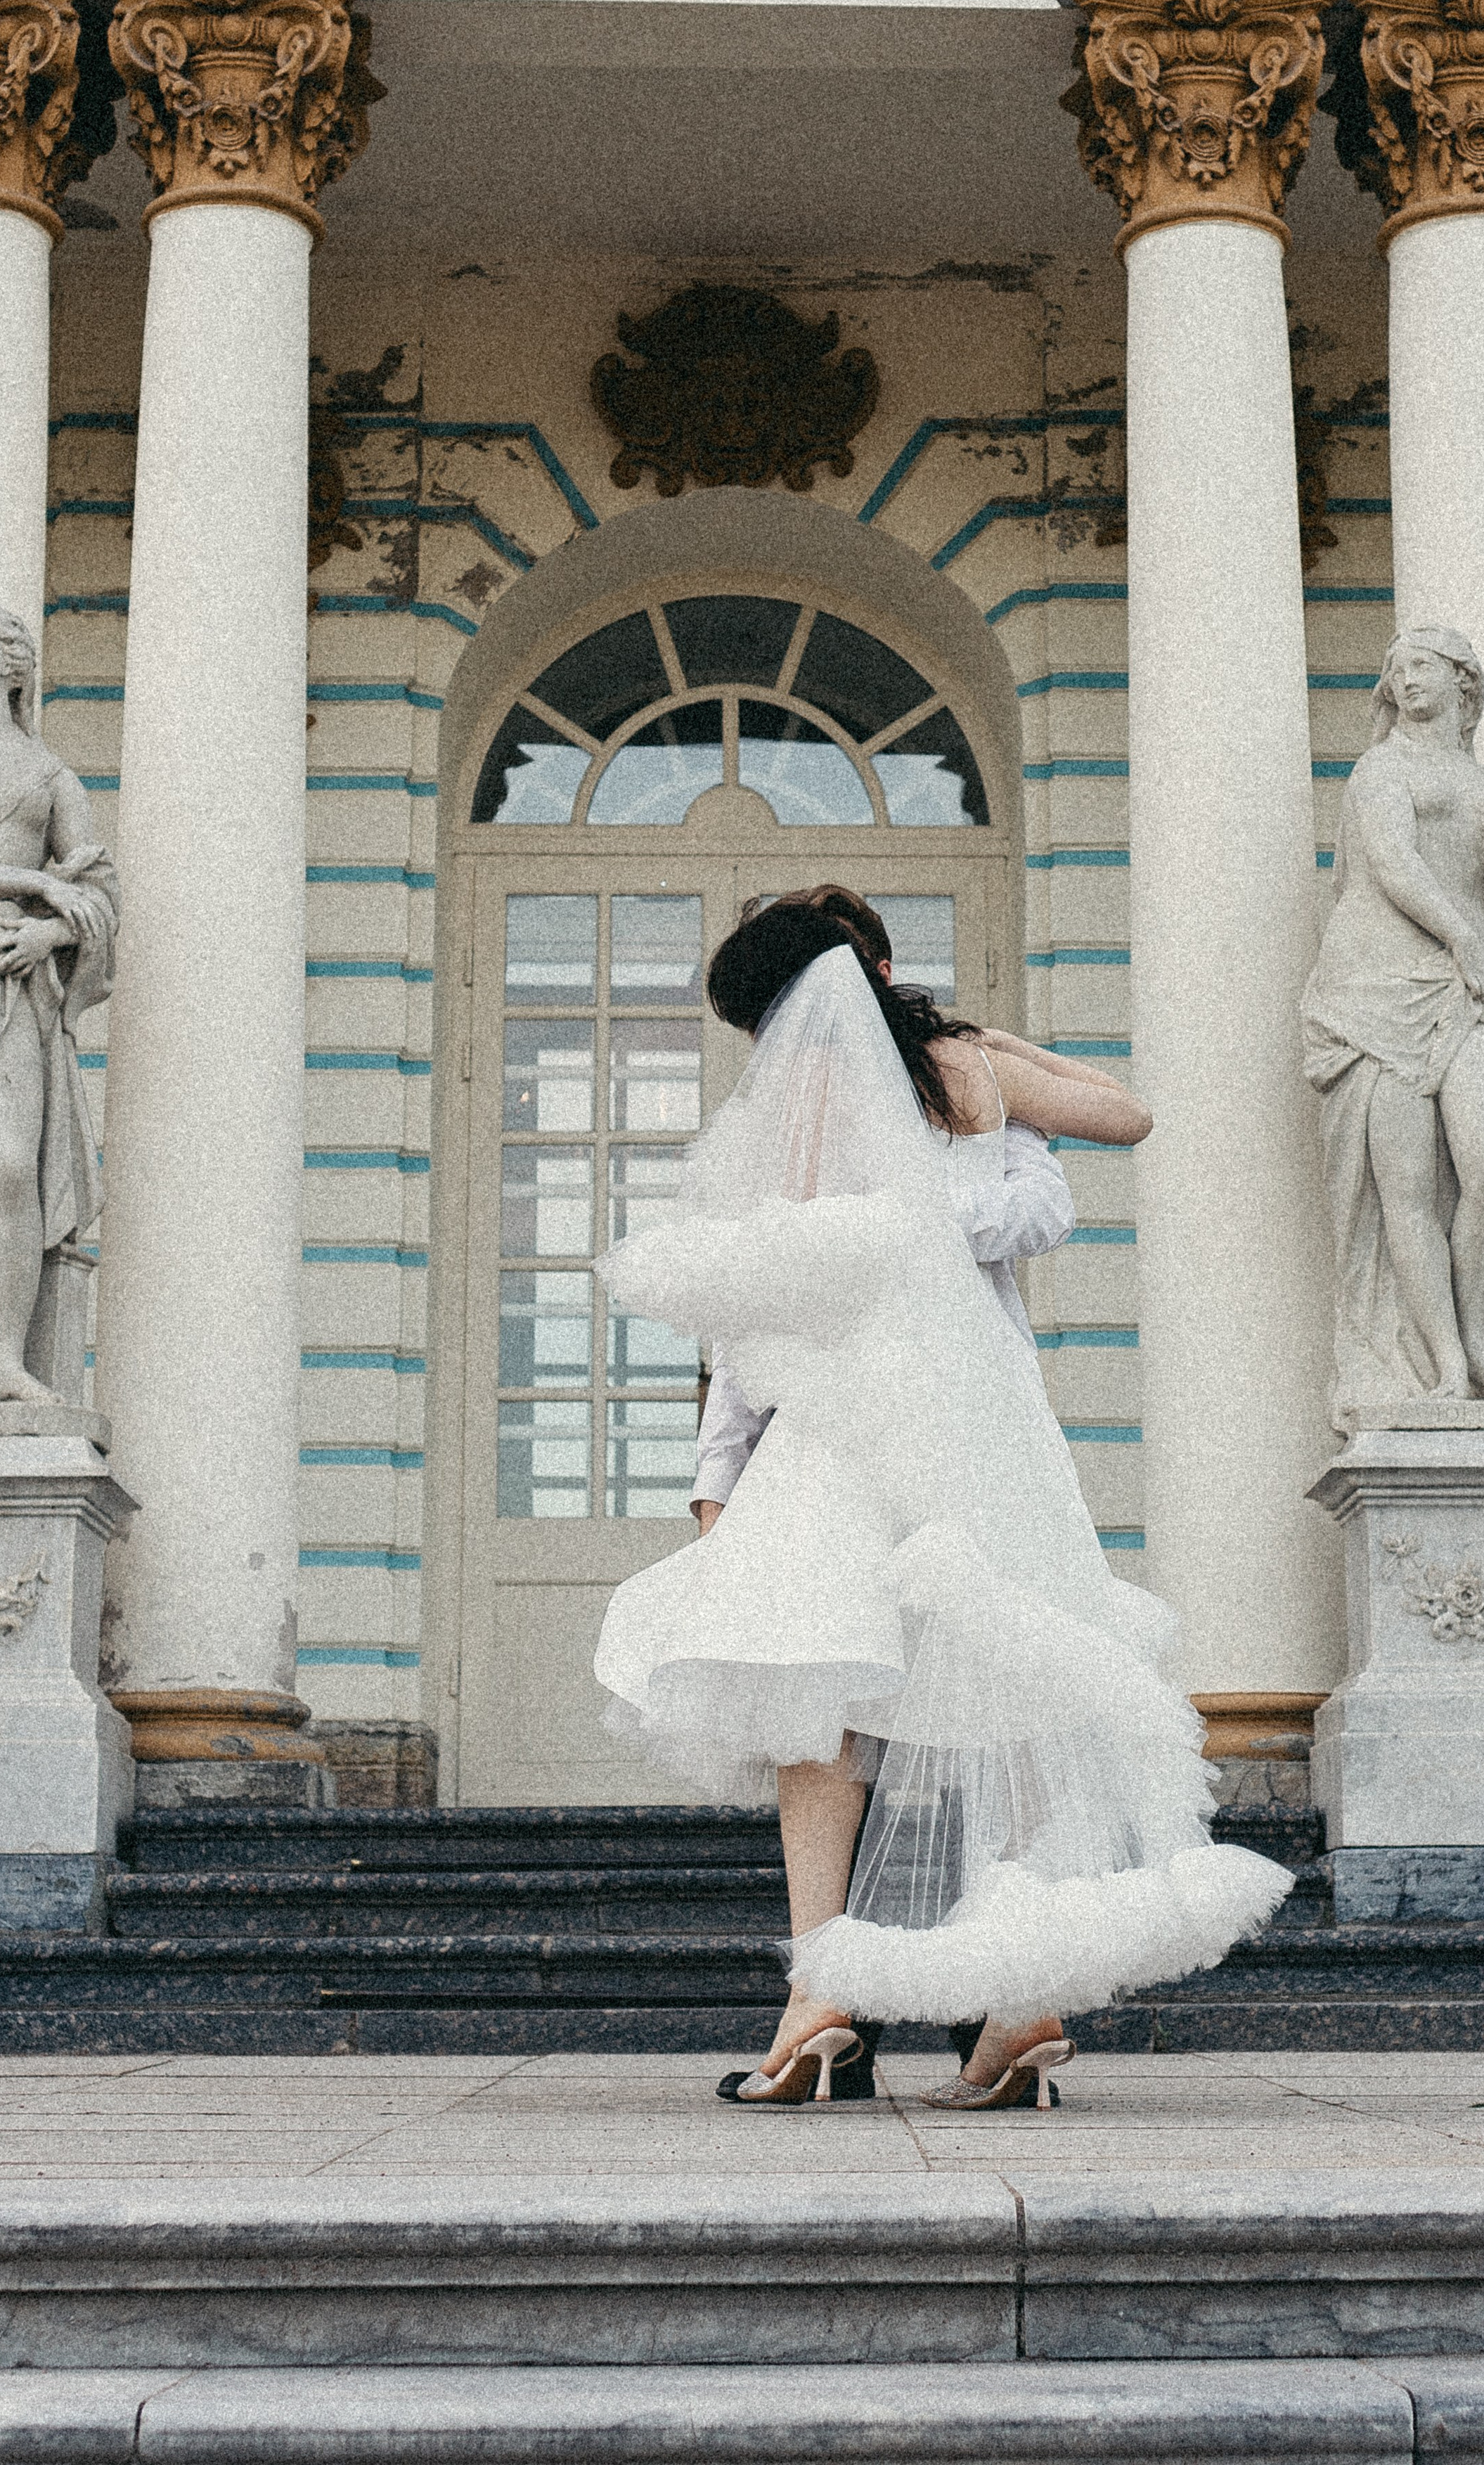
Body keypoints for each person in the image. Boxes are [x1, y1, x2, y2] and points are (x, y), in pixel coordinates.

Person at [595, 891, 1293, 2109]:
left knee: (821, 1705)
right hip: (982, 1425)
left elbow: (762, 1303)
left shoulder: (808, 1102)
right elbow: (1116, 1126)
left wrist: (719, 1473)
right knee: (999, 1690)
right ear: (875, 965)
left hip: (846, 1424)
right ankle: (1016, 2004)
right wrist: (1003, 1059)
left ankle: (828, 2000)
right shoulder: (967, 1074)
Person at [690, 887, 1078, 1536]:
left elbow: (1050, 1204)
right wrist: (715, 1491)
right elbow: (752, 1315)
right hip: (829, 1433)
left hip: (966, 1418)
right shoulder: (784, 1132)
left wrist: (1006, 1107)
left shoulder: (957, 1085)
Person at [1300, 626, 1484, 1413]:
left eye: (1421, 667)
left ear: (1462, 683)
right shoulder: (1382, 768)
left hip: (1464, 992)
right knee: (1402, 1191)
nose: (1405, 680)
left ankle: (1475, 1335)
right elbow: (1391, 863)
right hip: (1376, 988)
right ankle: (1446, 1364)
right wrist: (1460, 940)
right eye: (1396, 670)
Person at [0, 605, 117, 1403]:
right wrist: (36, 885)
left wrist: (46, 939)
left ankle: (3, 1361)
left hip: (9, 985)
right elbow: (60, 881)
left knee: (6, 1169)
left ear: (11, 669)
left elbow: (99, 891)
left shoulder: (50, 776)